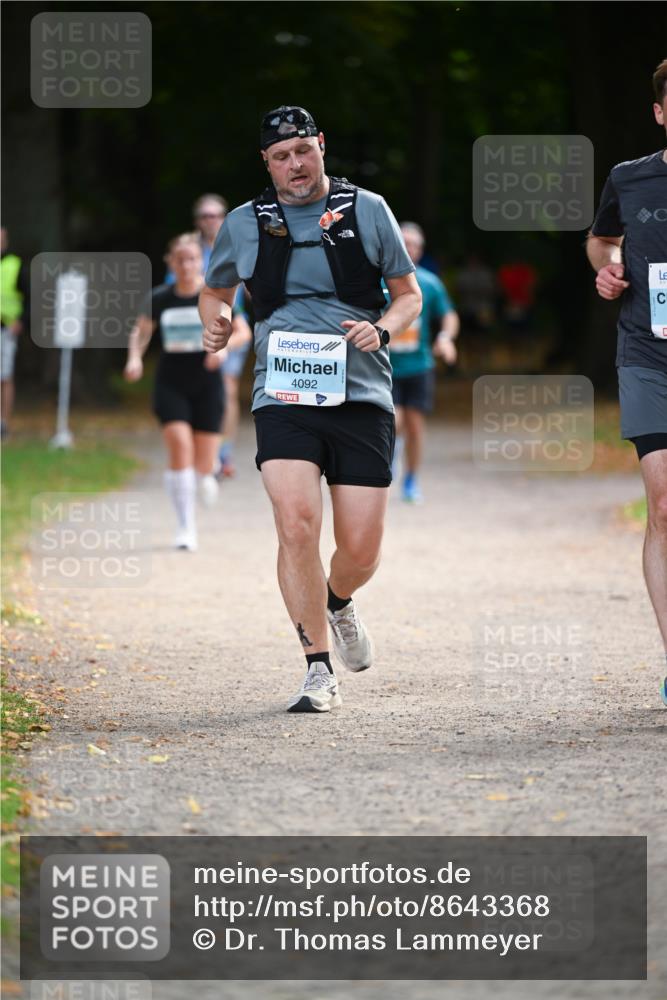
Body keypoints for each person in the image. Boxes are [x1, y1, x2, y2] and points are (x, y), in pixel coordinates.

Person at [199, 105, 421, 713]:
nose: (294, 164)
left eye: (303, 150)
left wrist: (384, 327)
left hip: (362, 393)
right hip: (285, 391)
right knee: (295, 521)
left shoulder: (368, 209)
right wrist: (215, 323)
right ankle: (317, 670)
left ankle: (338, 598)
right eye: (280, 156)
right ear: (266, 163)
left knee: (361, 549)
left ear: (321, 146)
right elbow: (214, 291)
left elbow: (408, 294)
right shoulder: (245, 223)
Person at [586, 58, 667, 706]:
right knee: (663, 504)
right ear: (660, 112)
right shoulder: (629, 177)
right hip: (648, 352)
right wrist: (609, 269)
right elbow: (601, 241)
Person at [124, 233, 226, 551]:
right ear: (171, 262)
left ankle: (209, 471)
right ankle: (185, 527)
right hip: (171, 382)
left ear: (201, 261)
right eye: (180, 259)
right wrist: (134, 358)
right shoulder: (160, 298)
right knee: (180, 445)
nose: (186, 265)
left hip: (208, 384)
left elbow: (240, 333)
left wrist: (221, 350)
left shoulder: (213, 297)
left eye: (192, 259)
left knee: (203, 463)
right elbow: (140, 333)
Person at [167, 195, 253, 477]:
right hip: (191, 331)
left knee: (226, 389)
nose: (210, 220)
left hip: (229, 325)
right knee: (197, 390)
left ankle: (222, 453)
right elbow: (173, 288)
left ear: (224, 217)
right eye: (205, 216)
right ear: (197, 221)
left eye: (215, 215)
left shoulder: (239, 246)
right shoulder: (189, 250)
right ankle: (201, 450)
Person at [390, 222, 460, 503]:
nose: (409, 249)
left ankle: (410, 479)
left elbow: (449, 315)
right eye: (404, 243)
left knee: (415, 427)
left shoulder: (430, 283)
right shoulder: (379, 279)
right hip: (385, 366)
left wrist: (445, 338)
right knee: (393, 421)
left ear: (421, 250)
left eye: (415, 245)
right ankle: (389, 459)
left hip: (419, 366)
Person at [1, 227, 29, 439]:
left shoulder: (15, 266)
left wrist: (21, 321)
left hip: (5, 328)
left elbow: (31, 297)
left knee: (5, 375)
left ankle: (4, 422)